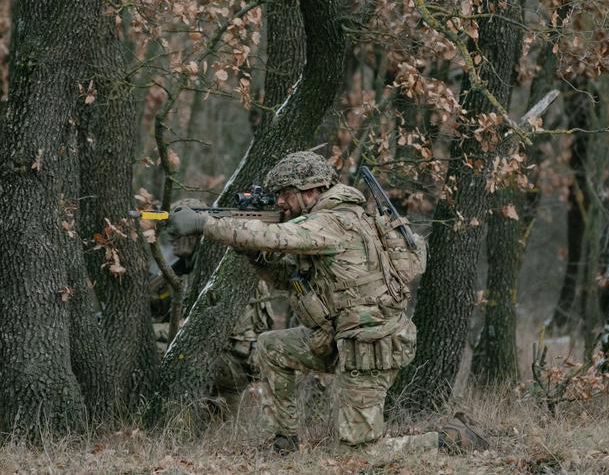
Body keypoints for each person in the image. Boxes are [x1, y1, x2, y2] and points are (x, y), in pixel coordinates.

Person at [169, 151, 485, 455]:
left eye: (286, 193)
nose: (280, 201)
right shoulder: (323, 223)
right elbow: (286, 278)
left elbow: (275, 236)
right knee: (271, 347)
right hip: (340, 338)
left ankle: (450, 439)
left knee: (359, 453)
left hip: (371, 345)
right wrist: (254, 257)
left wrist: (204, 224)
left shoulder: (335, 221)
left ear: (311, 190)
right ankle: (284, 442)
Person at [150, 198, 275, 400]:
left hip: (235, 360)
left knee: (150, 352)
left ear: (196, 234)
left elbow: (206, 327)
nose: (171, 236)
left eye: (177, 230)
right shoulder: (188, 267)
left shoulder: (222, 268)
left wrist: (148, 333)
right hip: (216, 354)